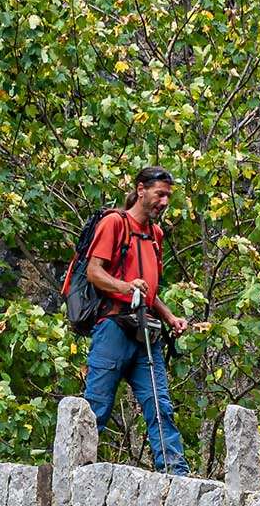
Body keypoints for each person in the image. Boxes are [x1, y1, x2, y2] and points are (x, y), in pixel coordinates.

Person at [81, 166, 191, 473]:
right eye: (160, 194)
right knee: (96, 405)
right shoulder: (114, 224)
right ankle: (76, 470)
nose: (165, 202)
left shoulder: (155, 234)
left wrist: (170, 317)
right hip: (113, 328)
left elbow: (149, 289)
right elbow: (94, 272)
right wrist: (126, 287)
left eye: (168, 195)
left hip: (146, 332)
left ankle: (174, 474)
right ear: (141, 189)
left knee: (160, 405)